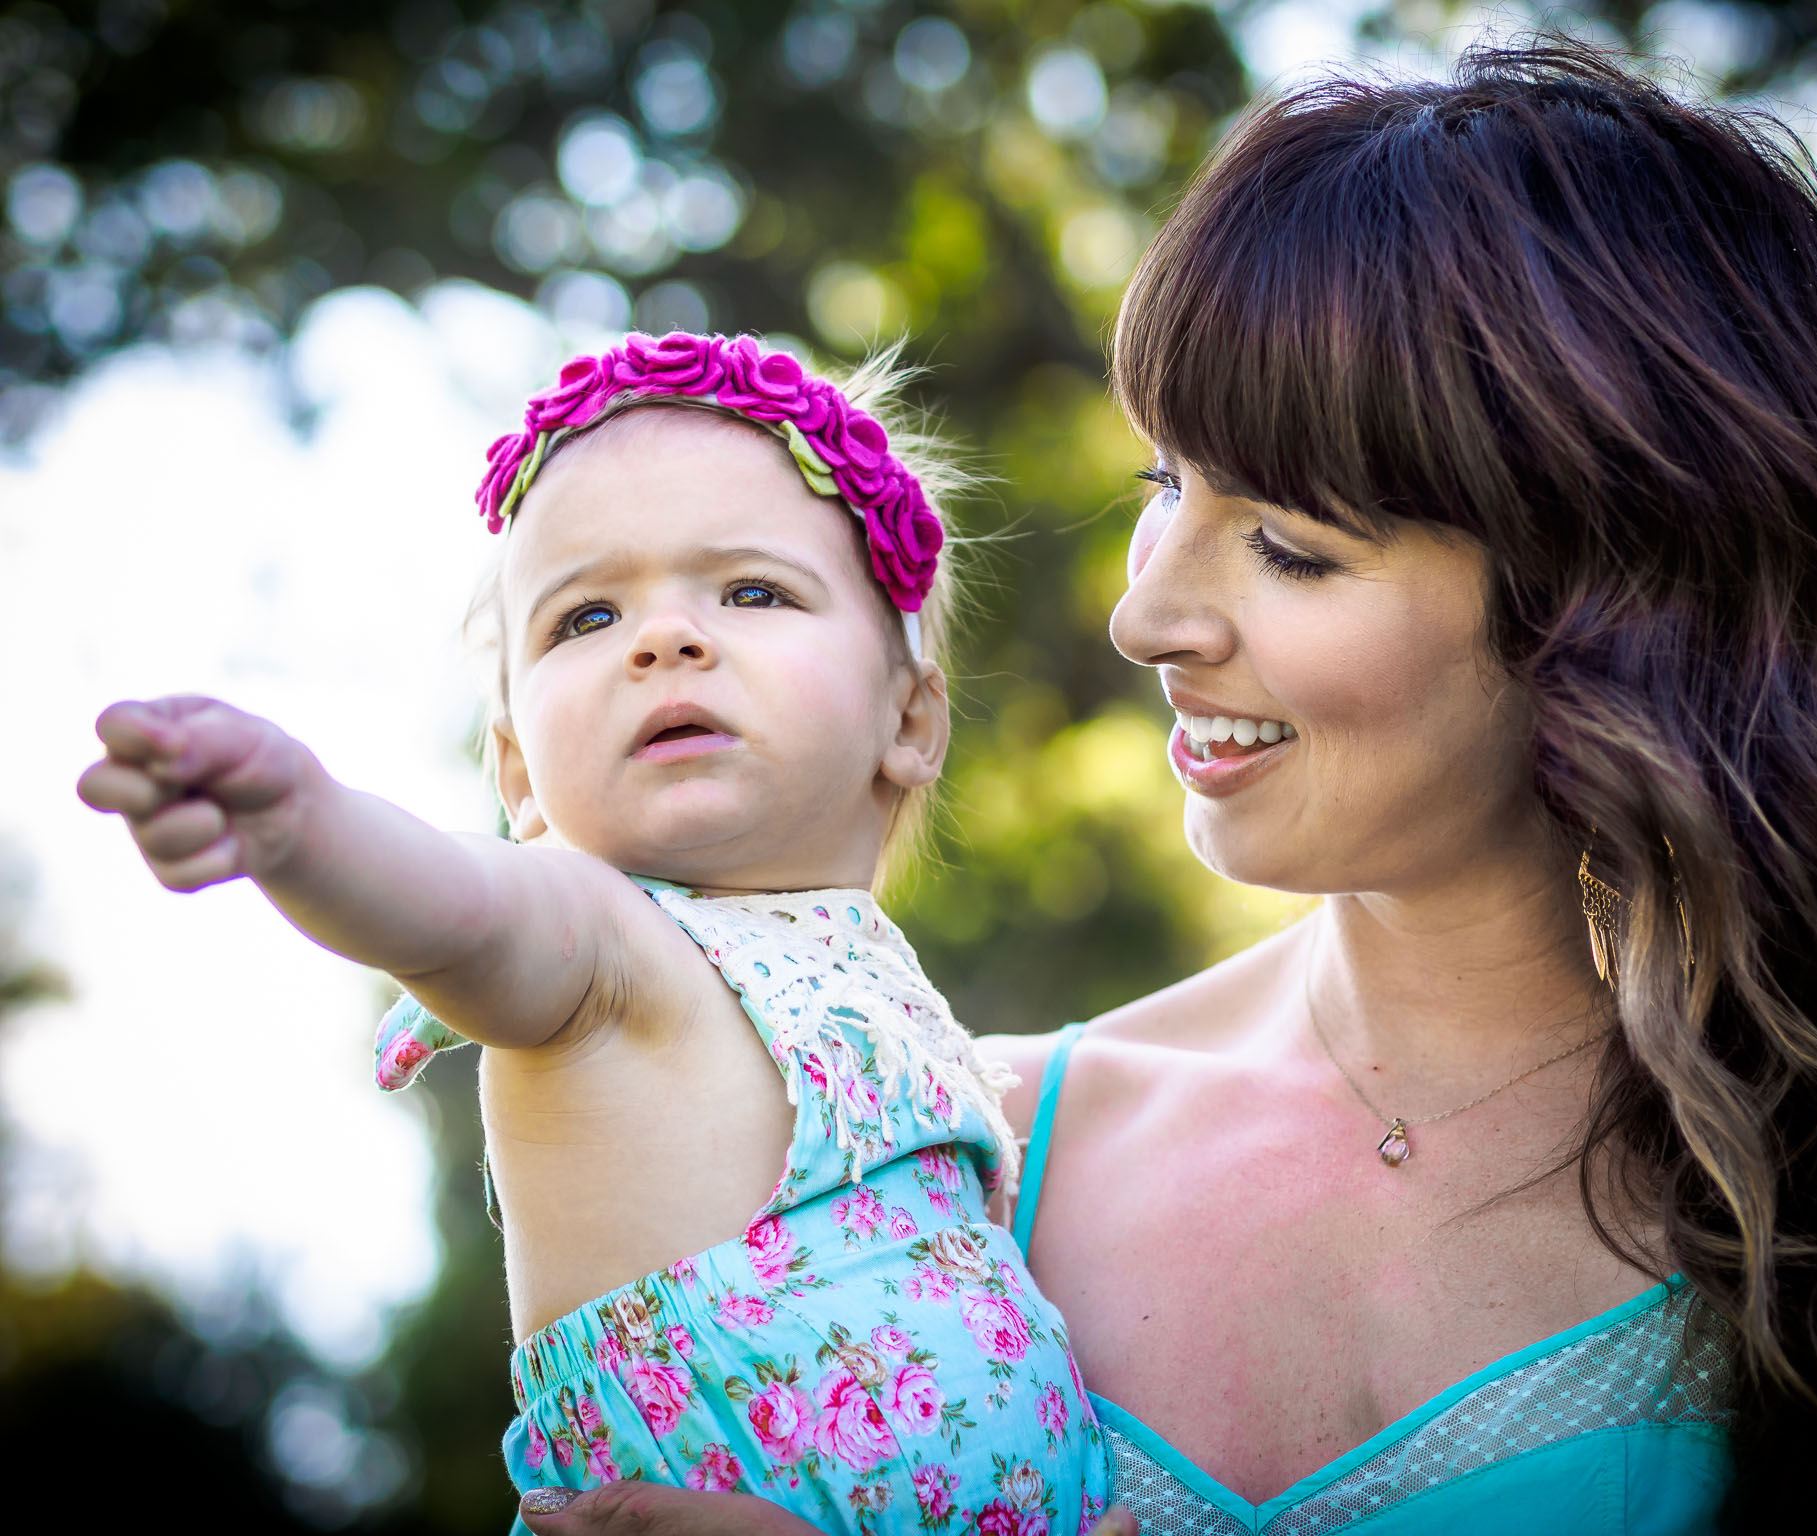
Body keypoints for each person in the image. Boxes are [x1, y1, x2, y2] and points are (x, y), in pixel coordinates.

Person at [508, 43, 1817, 1536]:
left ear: (1617, 599)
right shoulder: (954, 1157)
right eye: (1165, 484)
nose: (1146, 618)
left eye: (1291, 548)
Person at [75, 332, 1112, 1532]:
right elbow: (460, 912)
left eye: (751, 592)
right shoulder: (604, 941)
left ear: (910, 720)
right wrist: (303, 824)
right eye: (586, 616)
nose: (662, 638)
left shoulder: (904, 1014)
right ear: (517, 767)